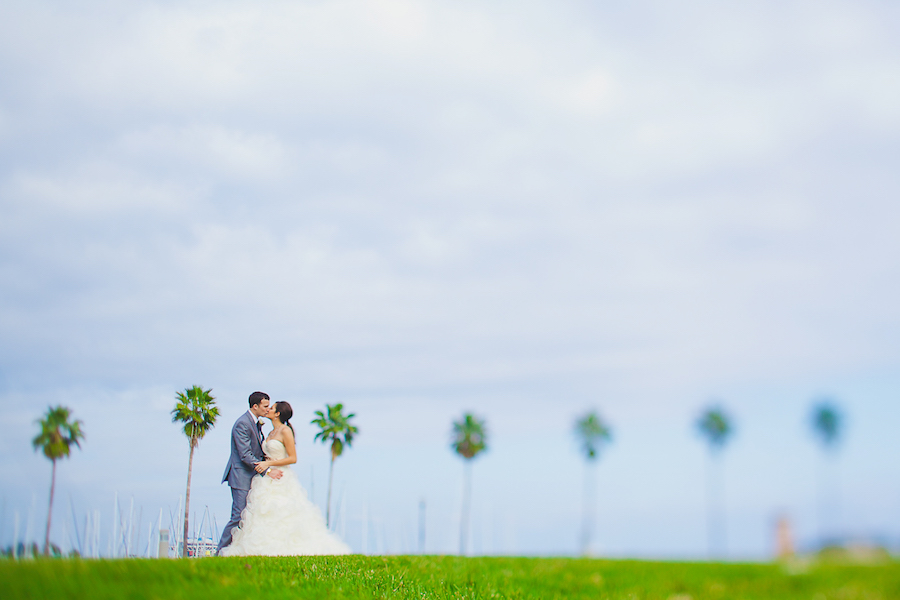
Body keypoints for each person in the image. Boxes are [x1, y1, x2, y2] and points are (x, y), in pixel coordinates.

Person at [219, 400, 350, 556]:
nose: (268, 410)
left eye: (271, 408)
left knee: (282, 512)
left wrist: (269, 464)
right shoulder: (269, 432)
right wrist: (266, 467)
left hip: (280, 476)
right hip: (265, 478)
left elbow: (293, 458)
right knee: (261, 514)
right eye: (266, 407)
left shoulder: (285, 431)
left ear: (278, 413)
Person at [216, 391, 283, 556]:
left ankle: (238, 552)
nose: (268, 409)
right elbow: (245, 455)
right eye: (265, 406)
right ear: (255, 406)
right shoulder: (242, 424)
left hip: (251, 476)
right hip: (240, 476)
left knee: (248, 516)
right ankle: (219, 553)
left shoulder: (255, 423)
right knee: (238, 516)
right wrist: (267, 470)